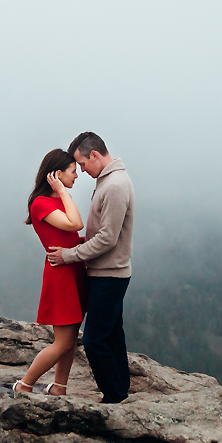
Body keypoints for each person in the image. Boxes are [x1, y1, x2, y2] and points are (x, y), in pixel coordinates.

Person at [46, 132, 134, 404]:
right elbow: (105, 232)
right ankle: (120, 388)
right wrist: (80, 242)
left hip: (109, 274)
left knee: (95, 341)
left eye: (82, 164)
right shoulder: (108, 181)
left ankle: (114, 396)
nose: (82, 171)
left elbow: (108, 239)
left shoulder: (114, 186)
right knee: (112, 334)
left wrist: (70, 254)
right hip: (108, 272)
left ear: (95, 155)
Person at [13, 149, 88, 397]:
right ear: (56, 174)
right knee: (63, 342)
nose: (77, 176)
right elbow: (75, 224)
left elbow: (73, 235)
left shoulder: (54, 202)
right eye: (72, 171)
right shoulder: (41, 203)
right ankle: (24, 384)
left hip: (75, 271)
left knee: (71, 339)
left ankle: (59, 387)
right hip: (61, 275)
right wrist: (63, 192)